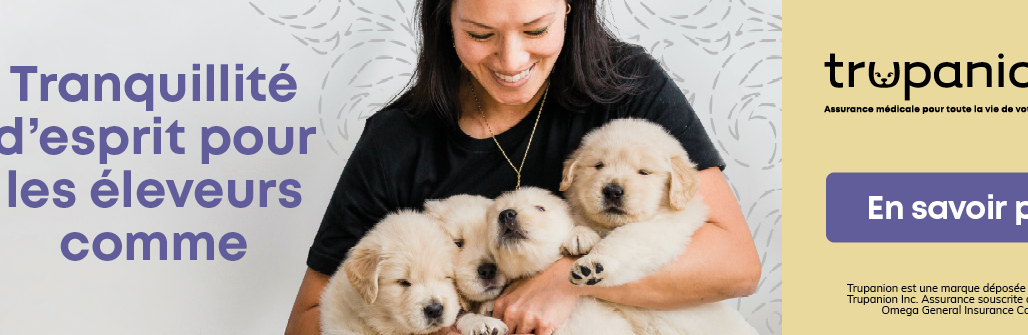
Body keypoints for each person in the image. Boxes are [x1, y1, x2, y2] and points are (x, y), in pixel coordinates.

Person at [284, 0, 762, 334]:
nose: (511, 60)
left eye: (536, 30)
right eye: (480, 34)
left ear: (570, 8)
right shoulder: (396, 142)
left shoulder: (627, 88)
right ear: (445, 18)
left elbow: (735, 264)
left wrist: (562, 283)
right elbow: (311, 314)